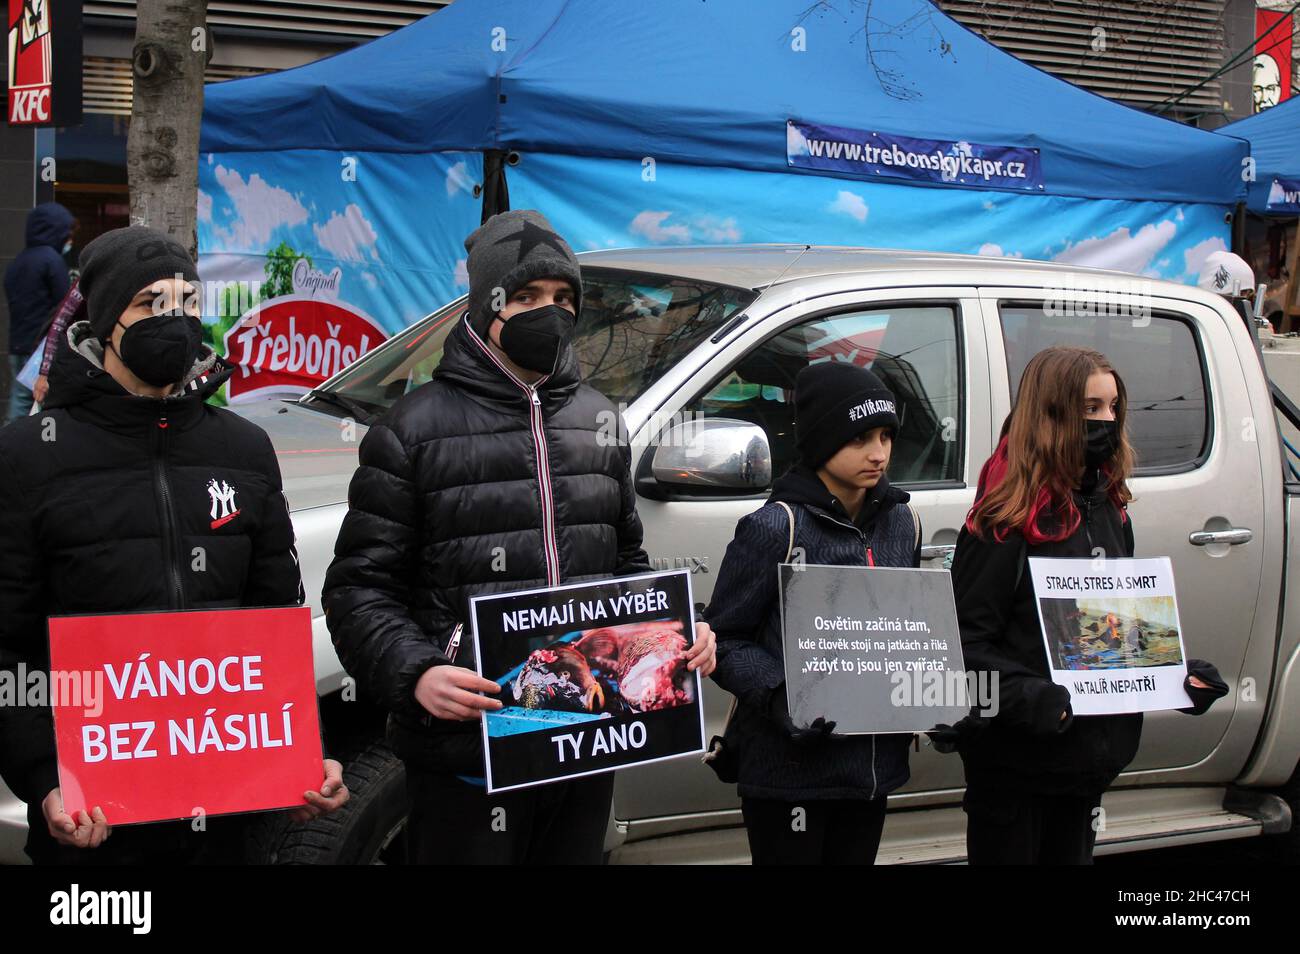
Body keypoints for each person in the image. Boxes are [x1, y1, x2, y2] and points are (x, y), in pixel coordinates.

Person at [322, 209, 716, 865]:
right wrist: (417, 673)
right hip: (465, 746)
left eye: (563, 298)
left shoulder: (598, 421)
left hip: (586, 737)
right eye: (527, 296)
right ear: (486, 306)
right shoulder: (411, 430)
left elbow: (626, 566)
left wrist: (682, 627)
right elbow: (358, 589)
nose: (550, 312)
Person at [0, 225, 347, 864]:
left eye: (189, 301)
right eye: (151, 303)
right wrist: (47, 782)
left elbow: (274, 626)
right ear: (106, 322)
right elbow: (11, 645)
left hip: (227, 815)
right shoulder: (27, 456)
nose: (177, 318)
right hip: (95, 817)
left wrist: (298, 751)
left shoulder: (242, 448)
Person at [950, 345, 1228, 865]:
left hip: (1086, 766)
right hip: (1016, 771)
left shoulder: (1110, 509)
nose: (1105, 422)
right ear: (1050, 414)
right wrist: (1033, 699)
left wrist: (1175, 675)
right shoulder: (1002, 521)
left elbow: (1113, 635)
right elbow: (964, 650)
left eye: (1112, 408)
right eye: (1088, 409)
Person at [704, 362, 920, 865]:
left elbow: (909, 630)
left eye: (887, 436)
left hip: (869, 772)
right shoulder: (775, 527)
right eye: (860, 437)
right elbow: (725, 639)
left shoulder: (902, 521)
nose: (879, 453)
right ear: (822, 440)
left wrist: (936, 700)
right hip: (790, 774)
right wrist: (782, 696)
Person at [3, 202, 73, 422]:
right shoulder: (51, 261)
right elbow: (65, 305)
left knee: (21, 400)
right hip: (40, 348)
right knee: (34, 402)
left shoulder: (19, 261)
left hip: (18, 343)